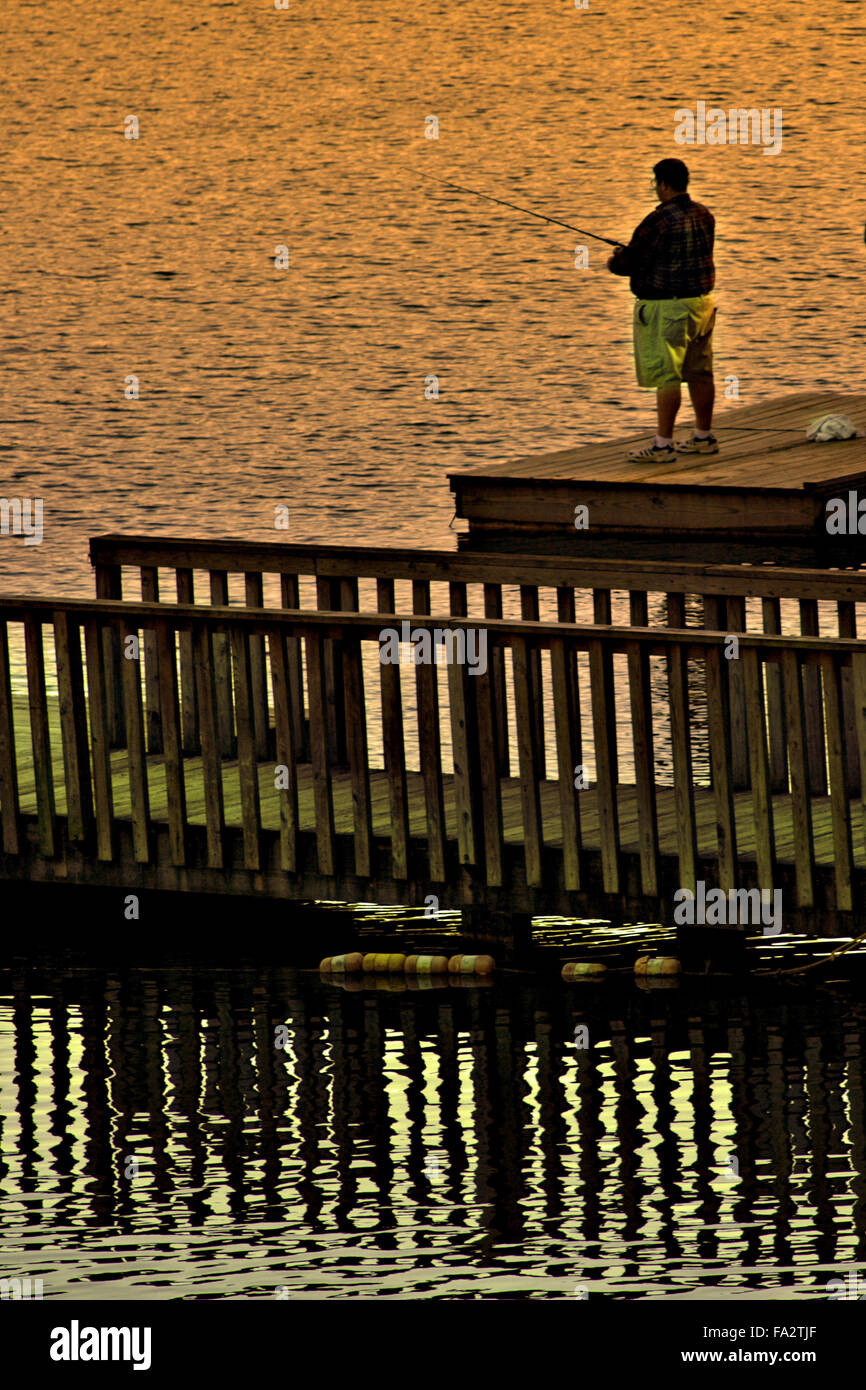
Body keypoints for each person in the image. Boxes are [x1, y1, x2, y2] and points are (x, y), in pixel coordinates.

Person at [607, 159, 717, 462]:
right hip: (702, 305)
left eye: (656, 183)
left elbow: (627, 264)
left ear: (664, 183)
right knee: (700, 372)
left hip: (667, 309)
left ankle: (662, 445)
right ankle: (703, 437)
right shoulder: (704, 214)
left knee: (667, 376)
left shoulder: (659, 220)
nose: (656, 188)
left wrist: (616, 258)